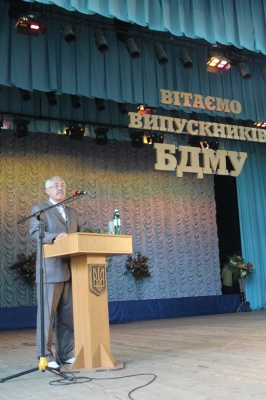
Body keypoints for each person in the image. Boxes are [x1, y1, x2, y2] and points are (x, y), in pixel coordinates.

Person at [29, 176, 80, 369]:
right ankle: (45, 355)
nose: (60, 188)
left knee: (68, 317)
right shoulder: (39, 210)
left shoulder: (73, 212)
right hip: (50, 271)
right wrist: (55, 237)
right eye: (56, 186)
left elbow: (77, 237)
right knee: (47, 316)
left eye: (63, 185)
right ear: (47, 191)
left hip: (70, 270)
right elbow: (35, 233)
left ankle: (65, 353)